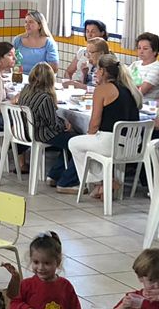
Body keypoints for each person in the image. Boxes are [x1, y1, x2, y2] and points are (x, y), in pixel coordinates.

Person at [59, 53, 140, 192]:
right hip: (132, 145)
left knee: (74, 143)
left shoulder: (102, 90)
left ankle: (98, 182)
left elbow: (94, 124)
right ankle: (104, 182)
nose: (95, 72)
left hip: (110, 143)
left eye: (97, 69)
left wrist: (89, 136)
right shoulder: (130, 89)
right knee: (90, 145)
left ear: (102, 71)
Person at [12, 231, 83, 309]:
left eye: (47, 263)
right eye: (36, 262)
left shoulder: (65, 286)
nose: (41, 268)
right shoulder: (26, 285)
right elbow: (14, 304)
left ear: (57, 262)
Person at [18, 62, 71, 182]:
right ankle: (55, 175)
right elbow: (54, 125)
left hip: (26, 130)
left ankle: (55, 173)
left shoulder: (26, 90)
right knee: (74, 142)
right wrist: (65, 124)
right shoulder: (45, 98)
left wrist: (62, 121)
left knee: (68, 139)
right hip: (41, 134)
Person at [130, 32, 159, 104]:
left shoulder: (158, 68)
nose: (141, 51)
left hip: (146, 107)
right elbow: (123, 82)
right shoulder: (135, 64)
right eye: (139, 48)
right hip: (131, 103)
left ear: (155, 51)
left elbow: (141, 91)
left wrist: (129, 86)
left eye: (145, 48)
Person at [64, 20, 107, 85]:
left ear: (102, 33)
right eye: (87, 31)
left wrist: (78, 85)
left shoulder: (105, 56)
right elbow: (68, 72)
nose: (89, 35)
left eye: (93, 31)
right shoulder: (81, 51)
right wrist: (69, 85)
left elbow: (97, 86)